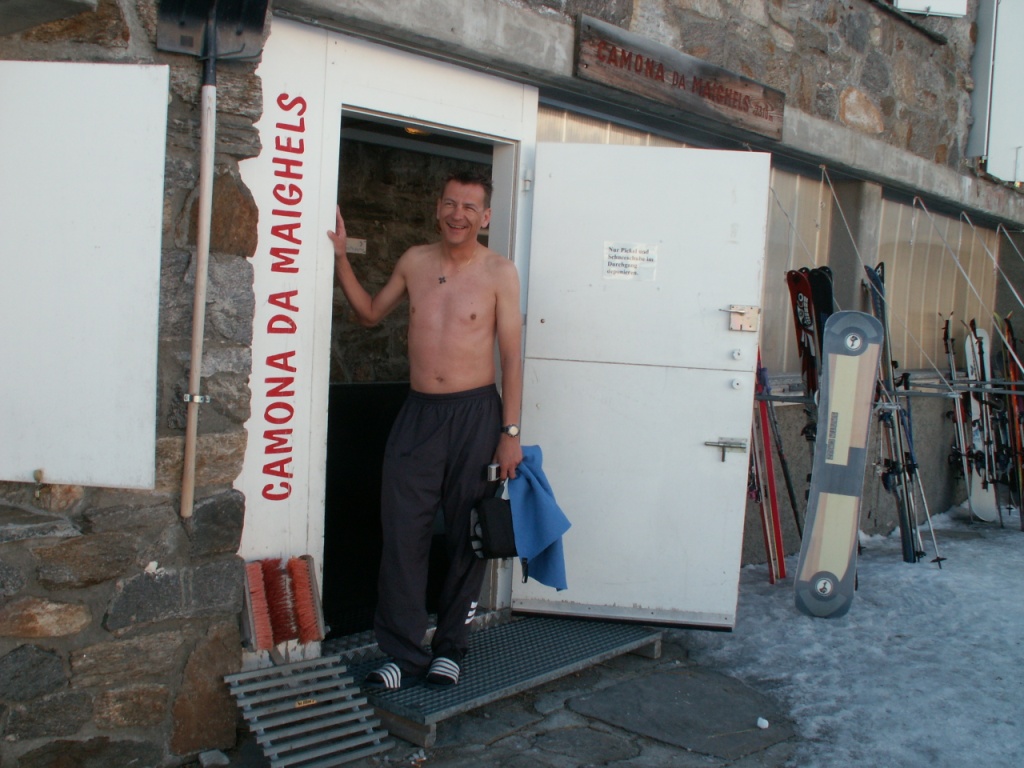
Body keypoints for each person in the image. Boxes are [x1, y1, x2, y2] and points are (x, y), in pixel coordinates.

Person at [328, 170, 524, 690]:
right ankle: (402, 653)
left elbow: (511, 357)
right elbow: (369, 314)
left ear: (485, 217)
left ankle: (450, 648)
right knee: (402, 531)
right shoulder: (414, 261)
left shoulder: (500, 272)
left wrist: (510, 432)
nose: (458, 215)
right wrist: (342, 257)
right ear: (438, 208)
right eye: (450, 204)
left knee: (467, 533)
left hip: (476, 414)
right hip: (418, 414)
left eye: (470, 207)